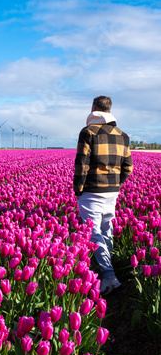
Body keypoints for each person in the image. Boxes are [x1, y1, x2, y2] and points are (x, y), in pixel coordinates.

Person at [73, 96, 133, 295]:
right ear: (110, 110)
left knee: (94, 233)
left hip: (91, 191)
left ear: (93, 108)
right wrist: (116, 183)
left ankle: (108, 276)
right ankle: (108, 265)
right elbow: (128, 167)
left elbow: (82, 164)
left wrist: (78, 190)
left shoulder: (88, 132)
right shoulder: (123, 135)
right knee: (107, 229)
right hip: (112, 192)